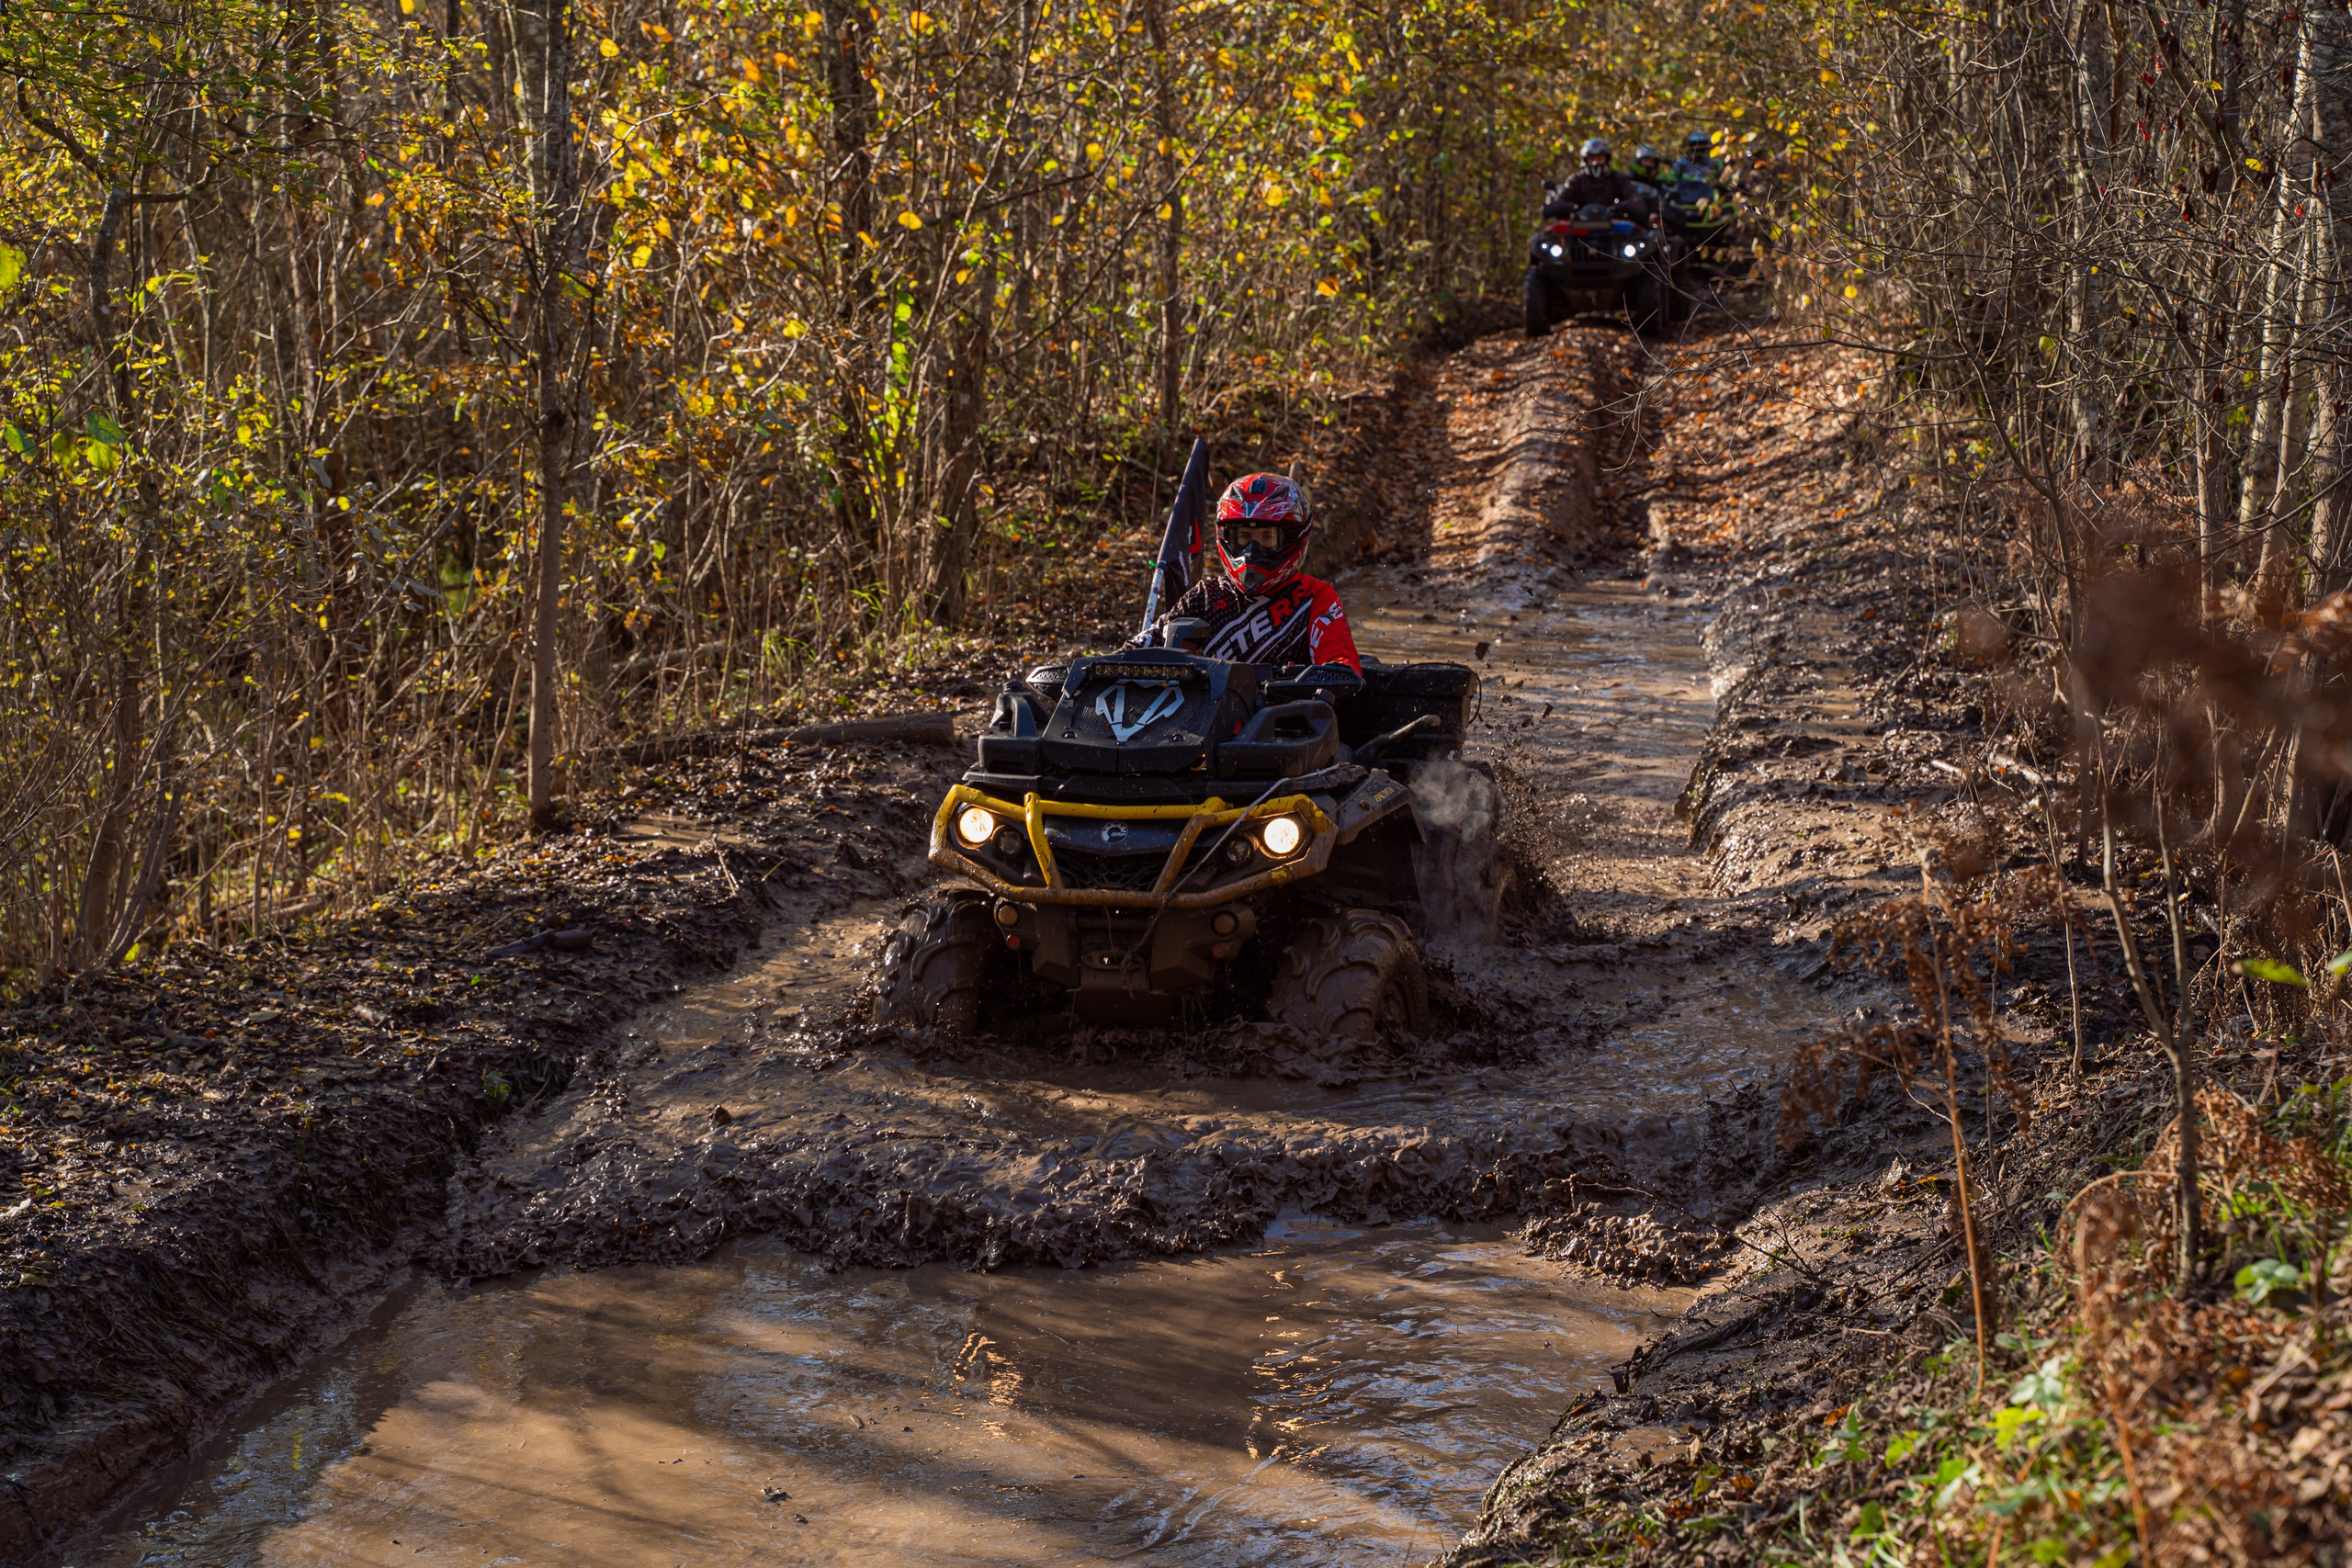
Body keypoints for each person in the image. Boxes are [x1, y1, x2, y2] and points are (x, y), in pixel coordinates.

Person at [1132, 472, 1362, 672]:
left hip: (1282, 716)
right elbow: (1137, 648)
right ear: (1226, 537)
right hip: (1202, 720)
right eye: (1244, 537)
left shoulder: (1316, 597)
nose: (1253, 551)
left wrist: (1332, 673)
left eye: (1267, 538)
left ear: (1293, 539)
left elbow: (1340, 661)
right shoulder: (1206, 596)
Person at [1544, 137, 1653, 220]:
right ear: (1586, 161)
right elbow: (1561, 199)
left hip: (1612, 228)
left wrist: (1624, 206)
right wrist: (1566, 206)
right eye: (1592, 159)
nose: (1596, 163)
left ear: (1606, 159)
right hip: (1580, 227)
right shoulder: (1576, 180)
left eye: (1599, 158)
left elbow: (1635, 199)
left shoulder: (1618, 178)